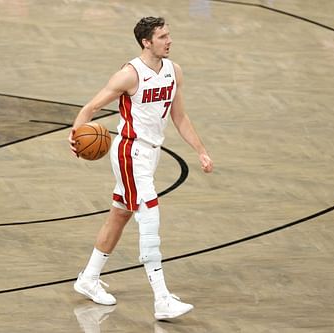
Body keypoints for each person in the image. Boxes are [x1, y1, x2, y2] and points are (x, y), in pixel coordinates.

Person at [68, 16, 213, 320]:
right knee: (150, 218)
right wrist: (75, 136)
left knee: (120, 214)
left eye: (169, 35)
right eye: (162, 37)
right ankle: (161, 298)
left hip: (152, 153)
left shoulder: (174, 72)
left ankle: (88, 279)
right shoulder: (129, 74)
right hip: (130, 152)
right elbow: (90, 108)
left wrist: (200, 151)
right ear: (146, 42)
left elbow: (180, 118)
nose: (169, 41)